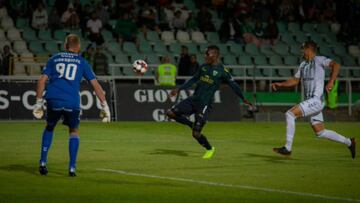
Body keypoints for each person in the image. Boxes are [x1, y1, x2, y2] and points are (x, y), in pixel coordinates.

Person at [32, 34, 111, 177]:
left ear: (65, 45)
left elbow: (41, 81)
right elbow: (95, 85)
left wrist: (38, 103)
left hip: (53, 99)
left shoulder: (54, 59)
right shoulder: (82, 62)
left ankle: (43, 162)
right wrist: (105, 105)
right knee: (73, 131)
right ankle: (72, 168)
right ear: (79, 47)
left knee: (50, 127)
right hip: (71, 102)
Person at [271, 41, 356, 159]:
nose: (301, 51)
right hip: (311, 102)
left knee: (290, 114)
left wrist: (331, 81)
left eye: (303, 49)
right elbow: (295, 81)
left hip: (316, 100)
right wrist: (281, 84)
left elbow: (336, 65)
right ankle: (350, 142)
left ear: (309, 49)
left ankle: (288, 148)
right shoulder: (303, 65)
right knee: (320, 132)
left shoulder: (320, 60)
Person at [166, 45, 252, 159]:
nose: (205, 56)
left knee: (196, 134)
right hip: (193, 99)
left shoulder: (222, 71)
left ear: (215, 55)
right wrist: (179, 89)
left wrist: (243, 98)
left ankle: (210, 149)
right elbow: (193, 79)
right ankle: (190, 124)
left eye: (207, 54)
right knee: (170, 113)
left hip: (205, 104)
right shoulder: (203, 67)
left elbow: (234, 85)